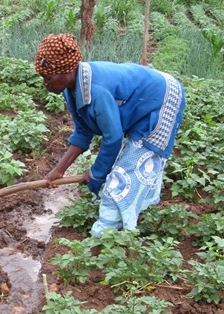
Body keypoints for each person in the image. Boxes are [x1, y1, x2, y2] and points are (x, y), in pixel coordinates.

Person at [34, 33, 186, 238]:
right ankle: (127, 214)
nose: (45, 83)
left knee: (128, 171)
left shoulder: (96, 90)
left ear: (66, 70)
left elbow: (112, 138)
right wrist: (58, 171)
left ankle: (103, 236)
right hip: (140, 102)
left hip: (162, 99)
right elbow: (83, 131)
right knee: (126, 167)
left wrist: (97, 173)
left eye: (48, 77)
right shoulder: (71, 90)